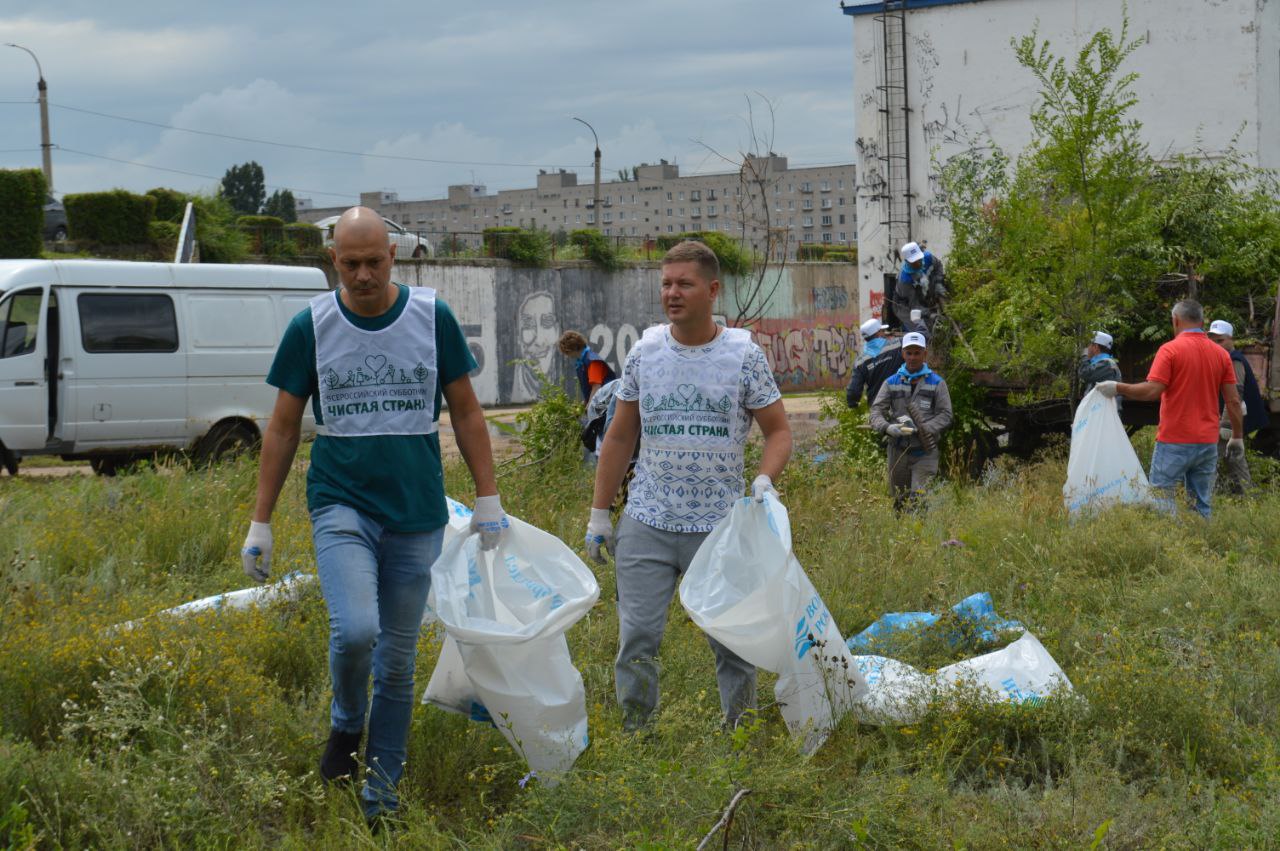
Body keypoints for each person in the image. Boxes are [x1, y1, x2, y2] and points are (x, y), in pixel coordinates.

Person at [240, 207, 509, 823]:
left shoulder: (429, 316)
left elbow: (466, 412)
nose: (362, 275)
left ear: (394, 257)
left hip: (415, 513)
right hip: (341, 504)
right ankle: (344, 723)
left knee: (396, 661)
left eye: (373, 262)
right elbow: (282, 428)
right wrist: (262, 520)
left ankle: (380, 797)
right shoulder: (311, 326)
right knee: (356, 630)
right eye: (349, 263)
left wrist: (488, 498)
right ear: (333, 260)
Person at [584, 240, 792, 732]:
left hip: (719, 528)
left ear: (713, 289)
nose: (672, 293)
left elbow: (779, 431)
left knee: (731, 640)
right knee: (637, 637)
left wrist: (763, 480)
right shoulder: (647, 351)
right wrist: (599, 514)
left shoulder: (743, 354)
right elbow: (619, 434)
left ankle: (738, 733)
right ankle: (637, 734)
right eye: (666, 283)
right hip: (647, 520)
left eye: (684, 283)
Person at [1097, 300, 1243, 518]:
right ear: (1202, 322)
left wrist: (1117, 387)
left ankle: (1168, 549)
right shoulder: (1221, 354)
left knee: (1162, 498)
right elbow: (1232, 401)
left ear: (1175, 320)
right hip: (1206, 441)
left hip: (1174, 439)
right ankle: (1202, 547)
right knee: (1201, 503)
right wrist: (1238, 437)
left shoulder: (1170, 350)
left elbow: (1152, 391)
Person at [868, 331, 953, 512]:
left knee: (919, 499)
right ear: (902, 354)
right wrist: (888, 428)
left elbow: (946, 414)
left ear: (925, 354)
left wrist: (924, 428)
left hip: (925, 450)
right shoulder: (891, 382)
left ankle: (921, 536)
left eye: (917, 353)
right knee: (900, 501)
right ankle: (904, 536)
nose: (913, 357)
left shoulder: (937, 383)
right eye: (909, 353)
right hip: (898, 451)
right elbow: (876, 411)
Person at [1207, 319, 1268, 493]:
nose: (1216, 345)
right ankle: (1246, 495)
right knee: (1234, 458)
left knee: (1212, 459)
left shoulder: (1234, 360)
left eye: (1220, 341)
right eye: (1212, 341)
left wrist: (1227, 427)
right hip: (1232, 418)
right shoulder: (1222, 359)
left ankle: (1210, 496)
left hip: (1233, 419)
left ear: (1230, 339)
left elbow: (1236, 396)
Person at [845, 317, 904, 409]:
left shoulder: (860, 361)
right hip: (900, 402)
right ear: (878, 333)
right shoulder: (897, 345)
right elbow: (923, 336)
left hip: (877, 406)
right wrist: (918, 322)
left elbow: (854, 390)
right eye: (882, 330)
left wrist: (853, 404)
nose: (884, 332)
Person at [894, 241, 944, 327]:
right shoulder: (905, 280)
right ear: (907, 261)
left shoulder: (927, 257)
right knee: (921, 328)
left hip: (921, 295)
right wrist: (930, 314)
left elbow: (938, 266)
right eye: (914, 261)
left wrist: (938, 283)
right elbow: (915, 305)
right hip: (905, 305)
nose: (918, 263)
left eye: (919, 259)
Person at [558, 330, 617, 404]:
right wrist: (586, 402)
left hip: (608, 403)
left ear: (574, 348)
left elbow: (596, 387)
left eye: (567, 352)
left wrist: (589, 406)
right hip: (602, 402)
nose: (567, 355)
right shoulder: (581, 362)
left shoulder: (593, 361)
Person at [1079, 331, 1123, 403]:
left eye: (1089, 345)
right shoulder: (1103, 363)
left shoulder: (1106, 364)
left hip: (1105, 412)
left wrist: (1085, 355)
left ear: (1096, 347)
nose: (1087, 348)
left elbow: (1085, 373)